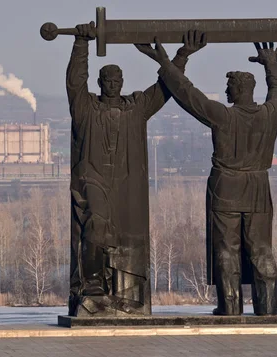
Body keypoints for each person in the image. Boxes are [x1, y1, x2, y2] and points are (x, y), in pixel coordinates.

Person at [136, 36, 277, 316]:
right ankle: (268, 310)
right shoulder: (270, 115)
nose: (226, 91)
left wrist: (165, 63)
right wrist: (272, 65)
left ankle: (230, 308)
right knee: (262, 249)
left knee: (227, 249)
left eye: (229, 86)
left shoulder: (224, 116)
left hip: (227, 187)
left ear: (239, 89)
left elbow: (188, 95)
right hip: (257, 186)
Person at [68, 23, 206, 316]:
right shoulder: (86, 107)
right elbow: (74, 82)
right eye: (108, 78)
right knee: (95, 227)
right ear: (100, 81)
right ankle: (91, 290)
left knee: (127, 238)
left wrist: (181, 56)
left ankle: (125, 298)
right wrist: (81, 45)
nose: (114, 83)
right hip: (93, 178)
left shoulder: (136, 107)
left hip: (126, 185)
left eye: (117, 78)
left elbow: (165, 89)